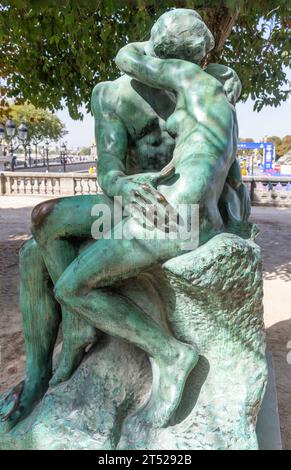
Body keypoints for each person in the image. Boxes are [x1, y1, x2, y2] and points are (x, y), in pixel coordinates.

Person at [0, 9, 248, 431]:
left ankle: (81, 330)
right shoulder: (114, 94)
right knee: (43, 222)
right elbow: (109, 166)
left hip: (172, 215)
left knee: (35, 259)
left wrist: (236, 222)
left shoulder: (199, 84)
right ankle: (55, 356)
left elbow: (229, 170)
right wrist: (123, 186)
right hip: (123, 203)